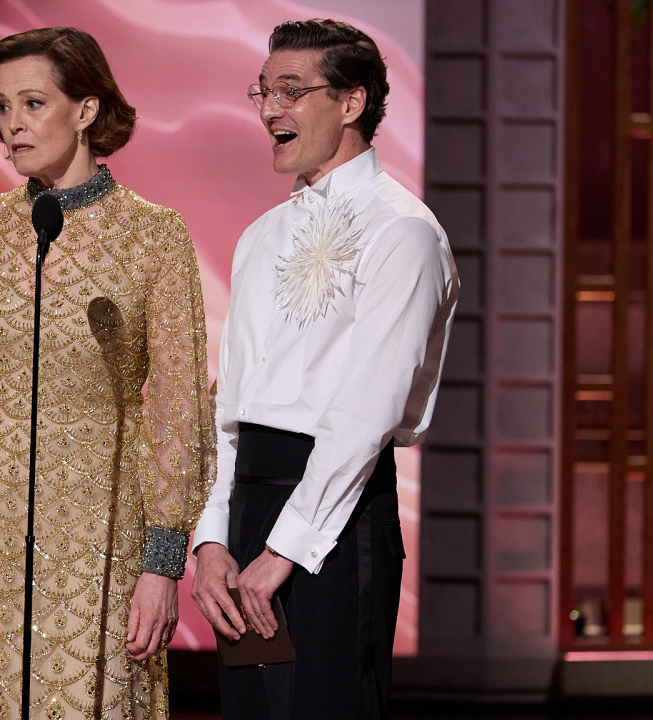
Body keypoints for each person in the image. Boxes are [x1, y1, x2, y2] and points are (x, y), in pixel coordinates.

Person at [0, 27, 215, 720]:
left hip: (95, 533)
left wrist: (162, 561)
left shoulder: (154, 235)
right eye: (2, 107)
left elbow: (180, 410)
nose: (12, 125)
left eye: (33, 103)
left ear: (86, 109)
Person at [189, 19, 459, 720]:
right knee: (254, 707)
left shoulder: (403, 231)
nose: (271, 109)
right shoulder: (260, 236)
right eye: (263, 92)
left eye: (291, 90)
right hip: (252, 502)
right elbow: (229, 406)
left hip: (336, 517)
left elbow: (365, 414)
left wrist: (285, 548)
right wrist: (212, 535)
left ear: (351, 102)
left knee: (326, 706)